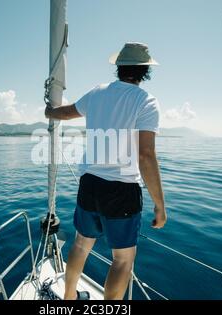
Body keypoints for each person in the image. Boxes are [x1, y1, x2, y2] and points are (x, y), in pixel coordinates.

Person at [44, 42, 167, 300]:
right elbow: (146, 155)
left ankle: (68, 299)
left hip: (90, 183)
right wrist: (159, 205)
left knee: (80, 243)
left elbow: (66, 113)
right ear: (145, 71)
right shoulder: (147, 101)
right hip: (122, 189)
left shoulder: (97, 92)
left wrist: (49, 111)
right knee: (122, 260)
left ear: (119, 67)